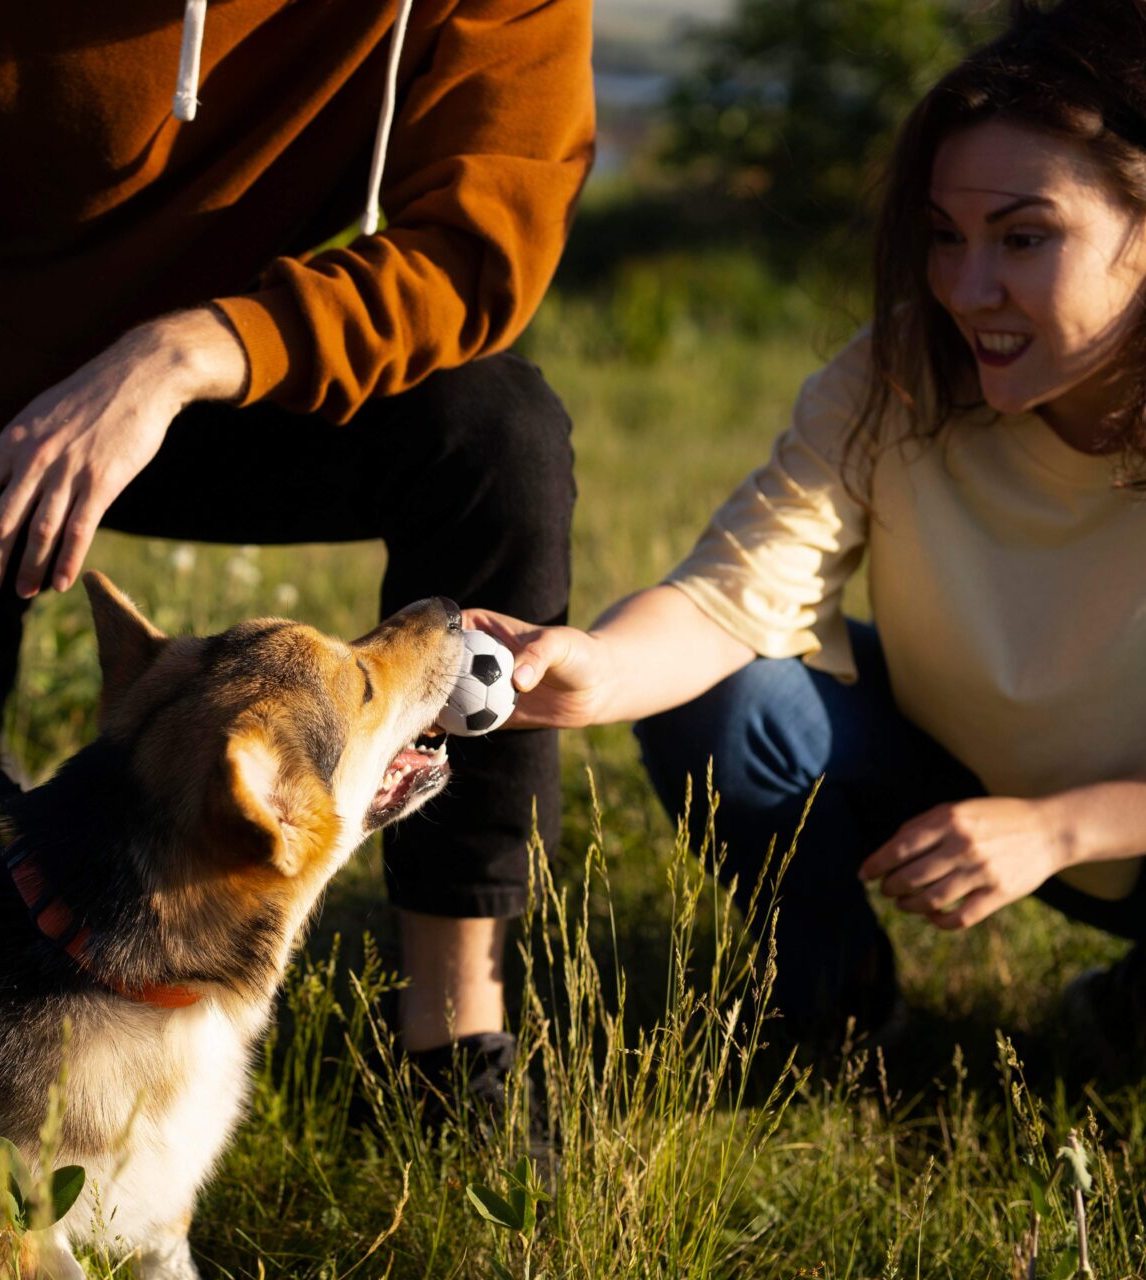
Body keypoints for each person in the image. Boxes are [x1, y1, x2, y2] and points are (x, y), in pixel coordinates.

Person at [0, 0, 595, 1097]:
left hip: (227, 366)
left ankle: (453, 1037)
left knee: (494, 434)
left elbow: (479, 242)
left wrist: (186, 352)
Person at [469, 0, 1146, 1068]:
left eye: (1025, 237)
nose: (969, 290)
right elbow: (730, 593)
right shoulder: (894, 375)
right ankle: (836, 1009)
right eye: (944, 235)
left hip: (1123, 837)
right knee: (730, 700)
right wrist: (594, 671)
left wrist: (1063, 828)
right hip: (961, 766)